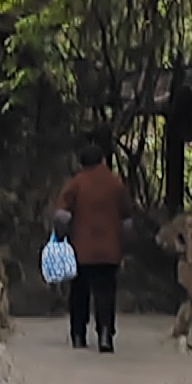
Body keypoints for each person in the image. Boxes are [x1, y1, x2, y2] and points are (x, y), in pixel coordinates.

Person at [51, 136, 130, 352]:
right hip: (109, 250)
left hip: (81, 250)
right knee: (106, 292)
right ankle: (105, 334)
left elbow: (62, 216)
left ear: (82, 162)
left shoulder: (76, 183)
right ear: (103, 160)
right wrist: (124, 245)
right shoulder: (116, 182)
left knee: (79, 291)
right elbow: (127, 217)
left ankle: (78, 334)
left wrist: (61, 237)